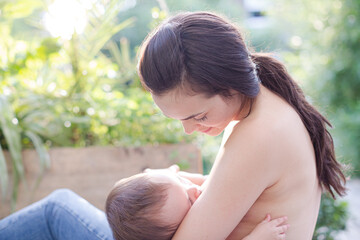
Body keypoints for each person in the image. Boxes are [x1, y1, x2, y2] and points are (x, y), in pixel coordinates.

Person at [137, 11, 347, 239]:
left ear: (232, 86)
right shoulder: (266, 107)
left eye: (199, 116)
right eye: (179, 119)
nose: (188, 130)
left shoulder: (261, 135)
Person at [105, 165, 289, 240]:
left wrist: (173, 177)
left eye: (182, 182)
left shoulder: (176, 189)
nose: (194, 190)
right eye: (189, 201)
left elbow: (207, 179)